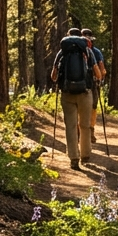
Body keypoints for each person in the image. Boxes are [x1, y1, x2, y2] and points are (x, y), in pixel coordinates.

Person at [50, 28, 101, 170]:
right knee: (84, 125)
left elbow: (53, 76)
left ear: (67, 36)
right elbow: (98, 73)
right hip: (85, 93)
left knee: (71, 126)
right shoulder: (87, 51)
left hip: (67, 94)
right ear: (81, 38)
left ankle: (73, 158)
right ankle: (85, 155)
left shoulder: (62, 52)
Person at [81, 28, 106, 141]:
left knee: (79, 106)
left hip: (79, 83)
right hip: (92, 83)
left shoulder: (74, 51)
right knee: (93, 107)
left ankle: (78, 131)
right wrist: (99, 77)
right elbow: (102, 70)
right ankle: (90, 131)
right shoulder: (96, 51)